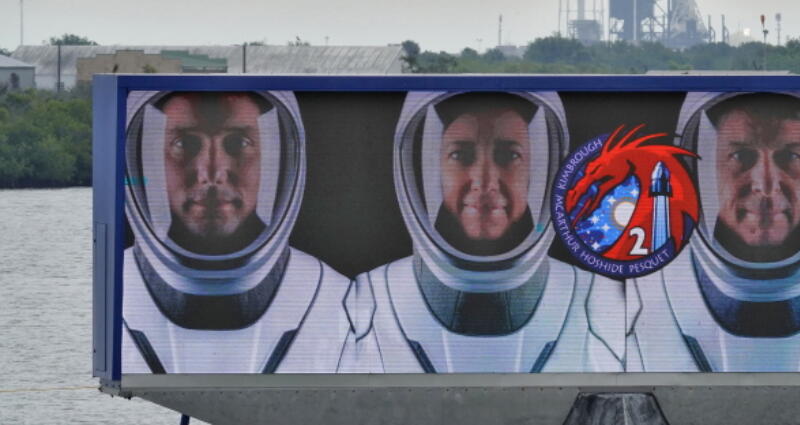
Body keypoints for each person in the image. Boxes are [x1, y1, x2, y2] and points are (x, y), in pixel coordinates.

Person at [626, 92, 800, 372]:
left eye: (790, 156)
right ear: (699, 167)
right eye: (741, 155)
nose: (765, 184)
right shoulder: (636, 301)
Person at [341, 91, 623, 373]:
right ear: (430, 168)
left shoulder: (600, 302)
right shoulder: (365, 300)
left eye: (509, 155)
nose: (484, 180)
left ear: (537, 171)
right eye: (460, 155)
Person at [121, 91, 353, 374]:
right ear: (146, 155)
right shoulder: (113, 287)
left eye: (239, 143)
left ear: (277, 156)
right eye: (185, 143)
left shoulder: (339, 299)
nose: (212, 172)